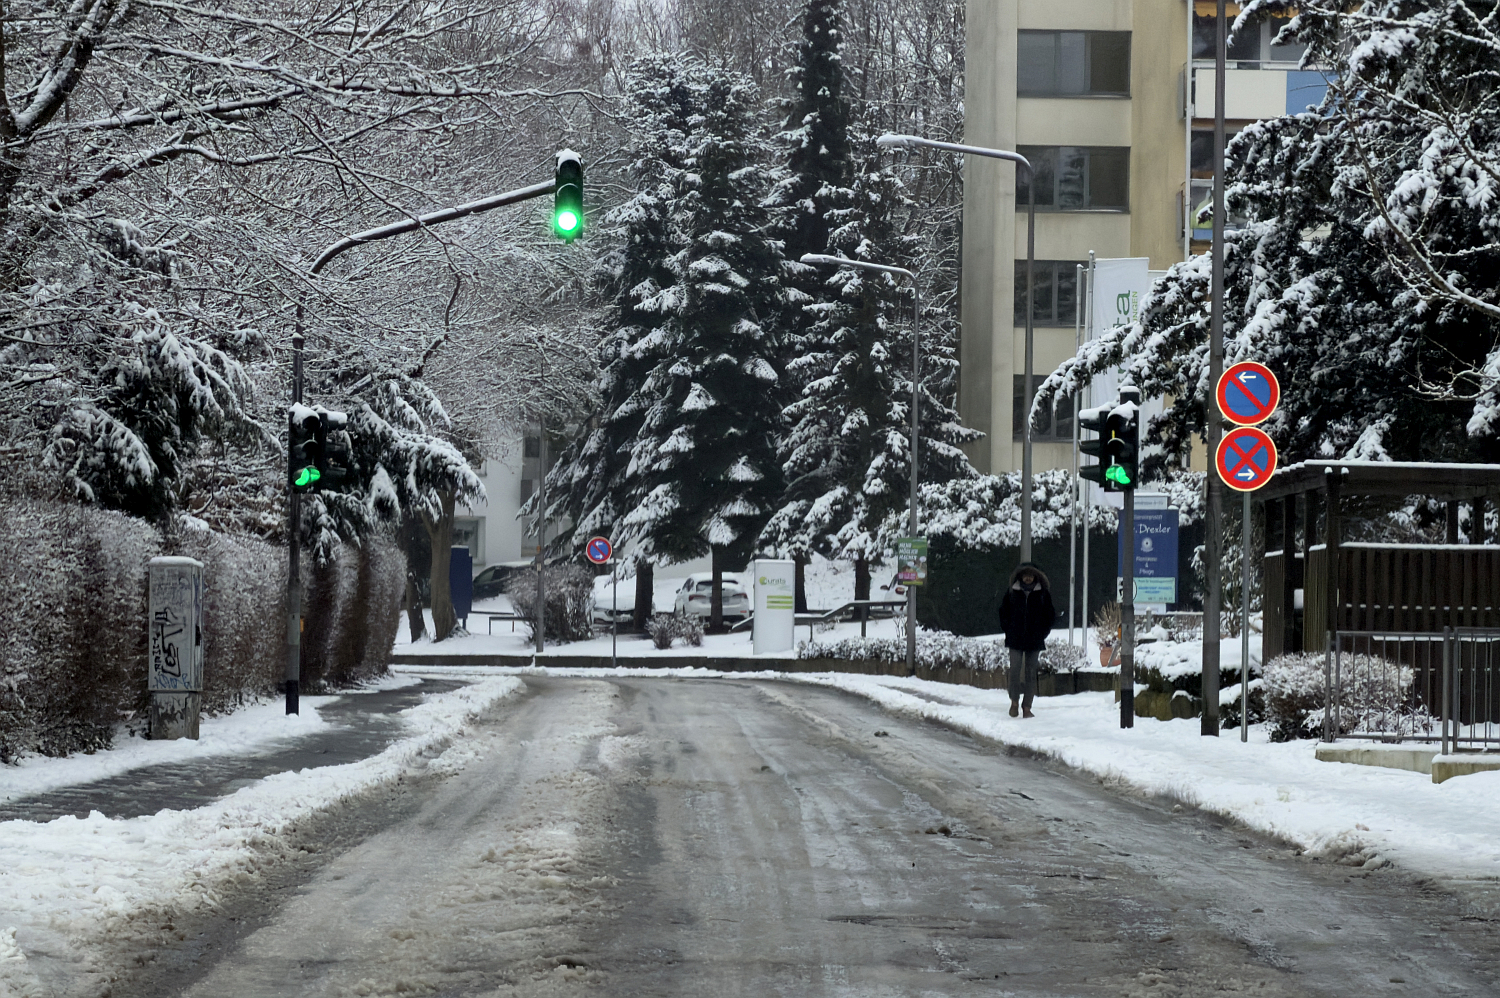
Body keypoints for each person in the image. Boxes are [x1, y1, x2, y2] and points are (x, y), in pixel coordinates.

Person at [997, 562, 1055, 718]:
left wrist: (1042, 633)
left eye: (1031, 575)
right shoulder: (1012, 592)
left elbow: (1050, 615)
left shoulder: (1042, 594)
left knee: (1031, 673)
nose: (1028, 578)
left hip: (1034, 639)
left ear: (1035, 577)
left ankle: (1027, 706)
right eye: (1025, 575)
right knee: (1014, 670)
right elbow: (1003, 612)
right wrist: (1008, 630)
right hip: (1015, 638)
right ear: (1021, 576)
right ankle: (1014, 702)